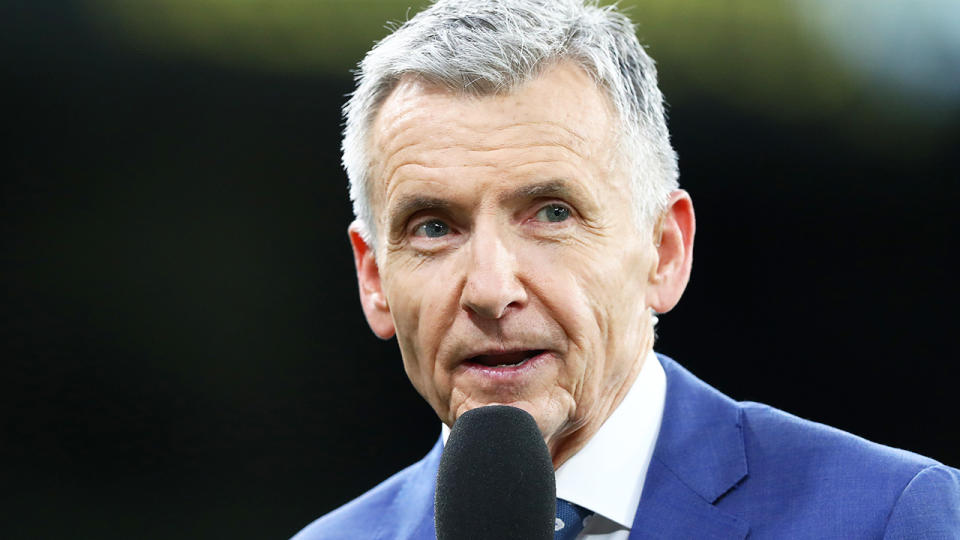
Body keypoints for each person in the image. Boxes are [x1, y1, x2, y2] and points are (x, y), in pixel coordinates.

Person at [293, 0, 960, 538]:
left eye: (551, 214)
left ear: (665, 252)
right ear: (374, 280)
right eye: (434, 228)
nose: (492, 291)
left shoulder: (884, 516)